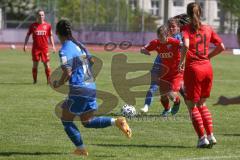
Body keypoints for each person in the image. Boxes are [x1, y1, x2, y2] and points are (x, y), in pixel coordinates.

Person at [53, 19, 132, 156]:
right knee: (87, 121)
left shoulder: (65, 50)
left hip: (79, 89)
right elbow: (92, 61)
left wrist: (58, 83)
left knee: (65, 119)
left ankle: (81, 149)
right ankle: (117, 121)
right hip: (91, 87)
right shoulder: (79, 45)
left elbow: (67, 72)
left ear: (57, 33)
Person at [179, 2, 225, 148]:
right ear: (201, 13)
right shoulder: (208, 28)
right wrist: (209, 56)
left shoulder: (185, 29)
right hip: (207, 69)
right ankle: (211, 136)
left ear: (188, 14)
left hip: (193, 70)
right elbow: (222, 47)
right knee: (202, 104)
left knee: (191, 105)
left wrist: (181, 61)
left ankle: (202, 138)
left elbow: (186, 45)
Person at [140, 18, 184, 115]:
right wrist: (145, 51)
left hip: (176, 72)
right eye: (159, 37)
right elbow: (143, 48)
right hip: (165, 72)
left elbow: (185, 46)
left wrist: (183, 61)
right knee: (163, 94)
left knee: (170, 93)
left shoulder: (173, 41)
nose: (161, 40)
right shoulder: (156, 42)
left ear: (167, 36)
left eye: (162, 37)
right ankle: (167, 109)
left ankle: (177, 102)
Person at [23, 9, 56, 84]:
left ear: (44, 16)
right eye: (39, 15)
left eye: (42, 15)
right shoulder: (33, 26)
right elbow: (28, 35)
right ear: (36, 16)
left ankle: (49, 81)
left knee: (47, 66)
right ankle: (34, 81)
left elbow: (50, 36)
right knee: (35, 66)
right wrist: (25, 45)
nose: (41, 16)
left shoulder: (48, 26)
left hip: (45, 49)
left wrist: (53, 46)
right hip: (35, 49)